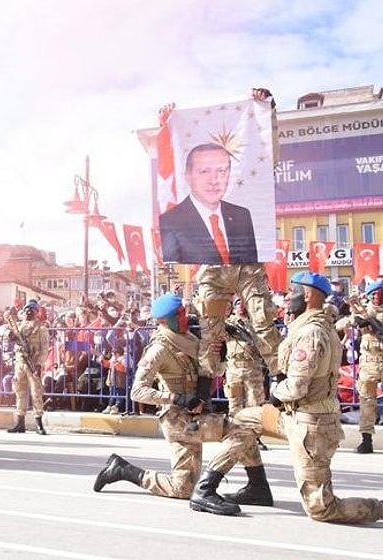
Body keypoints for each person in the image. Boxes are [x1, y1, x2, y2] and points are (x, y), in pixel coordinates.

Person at [192, 272, 383, 523]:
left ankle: (378, 508)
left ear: (307, 295)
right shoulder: (307, 326)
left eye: (292, 292)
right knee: (244, 420)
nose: (286, 298)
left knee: (321, 508)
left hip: (310, 424)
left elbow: (296, 387)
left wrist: (274, 396)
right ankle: (230, 487)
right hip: (294, 416)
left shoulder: (311, 333)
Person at [92, 294, 253, 516]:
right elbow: (137, 391)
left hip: (195, 415)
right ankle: (210, 489)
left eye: (184, 312)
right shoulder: (159, 348)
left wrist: (221, 357)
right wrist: (176, 398)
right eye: (179, 315)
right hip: (178, 419)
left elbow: (212, 372)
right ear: (164, 321)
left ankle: (123, 470)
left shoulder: (191, 338)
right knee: (243, 433)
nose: (185, 317)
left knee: (182, 488)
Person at [175, 89, 283, 400]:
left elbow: (268, 154)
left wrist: (268, 112)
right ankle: (202, 398)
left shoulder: (245, 193)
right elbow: (172, 165)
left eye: (221, 170)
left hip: (246, 264)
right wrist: (167, 125)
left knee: (263, 324)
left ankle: (285, 382)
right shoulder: (190, 206)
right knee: (210, 334)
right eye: (206, 171)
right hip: (213, 271)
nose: (214, 177)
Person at [158, 142, 258, 265]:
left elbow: (252, 270)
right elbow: (173, 276)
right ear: (188, 176)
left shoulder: (242, 216)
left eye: (221, 171)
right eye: (204, 171)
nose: (214, 180)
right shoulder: (170, 222)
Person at [334, 279, 383, 453]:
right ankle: (366, 438)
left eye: (380, 293)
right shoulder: (364, 311)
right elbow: (342, 324)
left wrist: (368, 320)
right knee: (366, 403)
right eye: (374, 294)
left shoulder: (370, 313)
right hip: (368, 363)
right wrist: (348, 318)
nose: (377, 297)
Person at [4, 301, 50, 435]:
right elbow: (3, 330)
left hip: (33, 363)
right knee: (20, 392)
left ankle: (39, 424)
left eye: (32, 310)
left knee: (36, 393)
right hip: (20, 362)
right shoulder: (18, 326)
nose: (29, 312)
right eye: (27, 310)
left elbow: (45, 349)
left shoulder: (41, 328)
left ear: (36, 312)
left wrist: (40, 364)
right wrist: (9, 335)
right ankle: (20, 423)